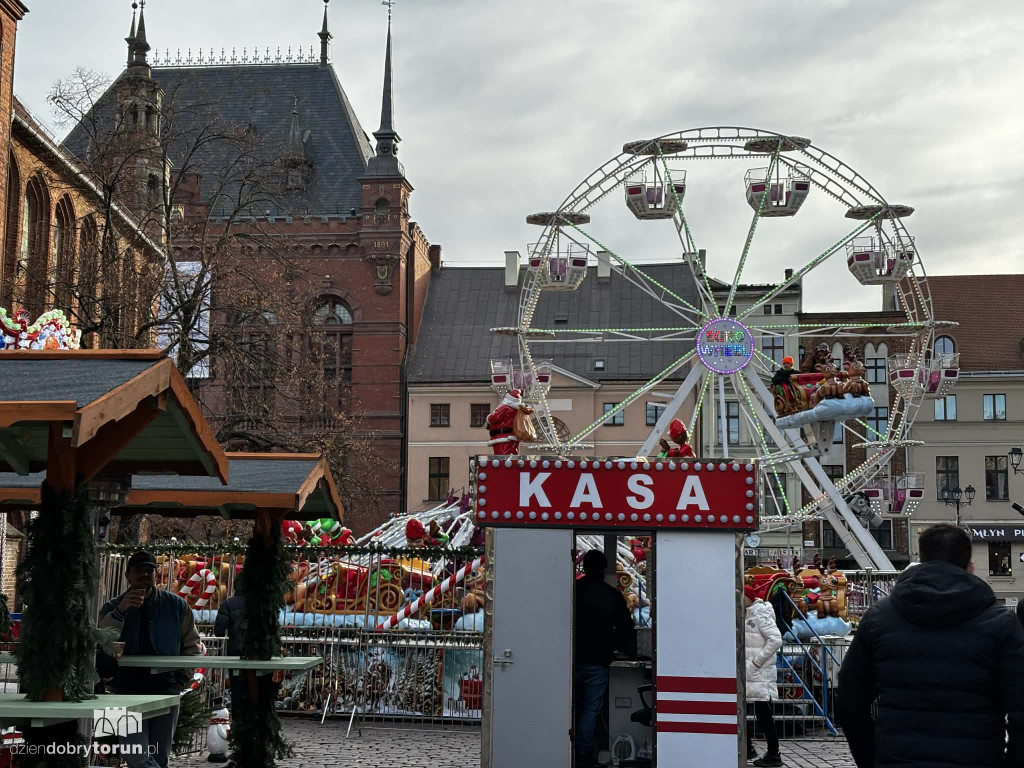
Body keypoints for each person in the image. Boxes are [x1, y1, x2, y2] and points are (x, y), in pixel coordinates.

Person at [837, 524, 1024, 768]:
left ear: (921, 560)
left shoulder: (879, 618)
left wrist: (869, 757)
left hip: (897, 758)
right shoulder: (1000, 623)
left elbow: (850, 700)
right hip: (976, 757)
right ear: (970, 567)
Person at [99, 550, 202, 768]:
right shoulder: (112, 607)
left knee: (160, 754)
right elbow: (101, 641)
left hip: (165, 688)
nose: (145, 575)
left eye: (150, 570)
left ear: (156, 574)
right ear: (128, 575)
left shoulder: (176, 605)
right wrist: (121, 611)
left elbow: (191, 644)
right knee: (134, 755)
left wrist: (182, 680)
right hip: (123, 690)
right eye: (139, 570)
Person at [574, 549, 636, 768]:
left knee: (569, 705)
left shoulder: (573, 591)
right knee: (591, 709)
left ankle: (564, 747)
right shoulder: (611, 595)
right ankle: (583, 752)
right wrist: (618, 646)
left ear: (584, 567)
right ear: (603, 568)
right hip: (597, 658)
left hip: (570, 658)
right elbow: (626, 628)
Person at [744, 585, 784, 767]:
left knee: (764, 715)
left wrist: (756, 662)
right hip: (753, 672)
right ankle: (748, 746)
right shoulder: (748, 613)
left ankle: (774, 753)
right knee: (750, 711)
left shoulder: (759, 614)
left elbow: (775, 639)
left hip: (759, 672)